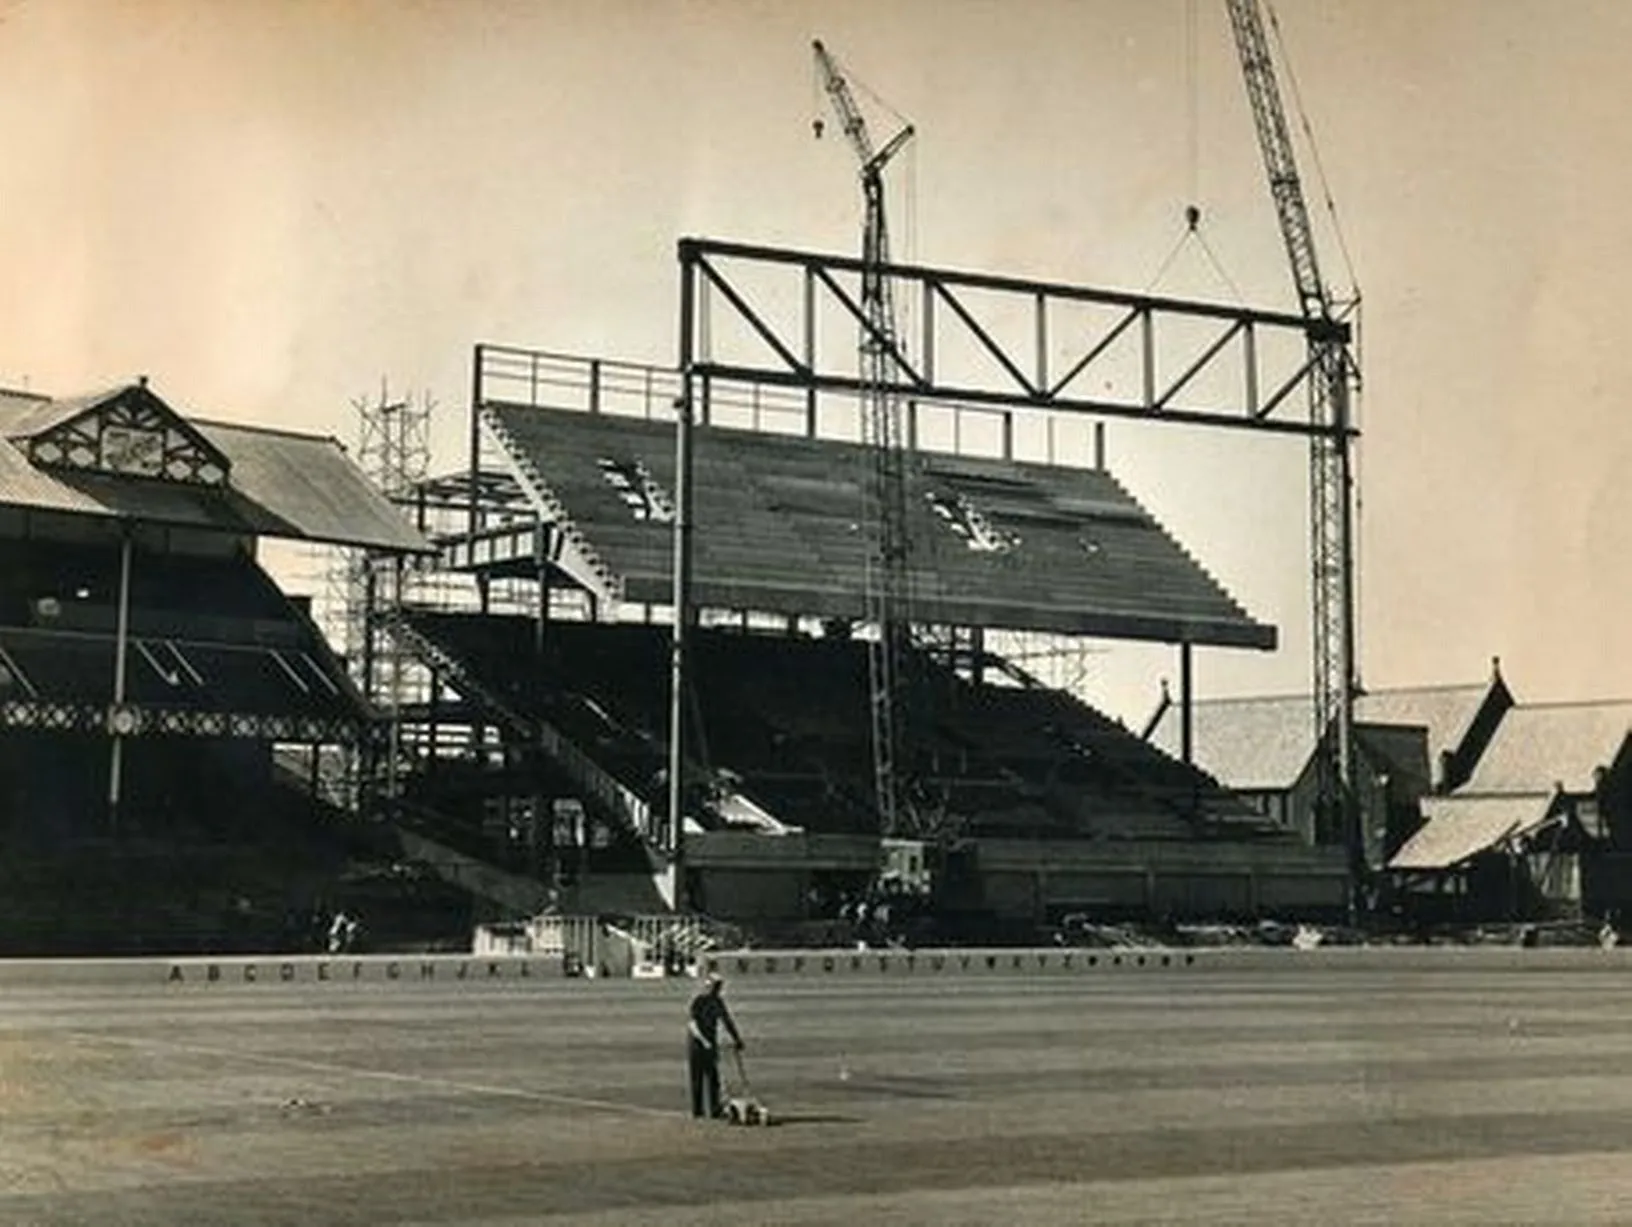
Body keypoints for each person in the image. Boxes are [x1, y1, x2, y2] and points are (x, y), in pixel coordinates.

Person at [686, 973, 744, 1119]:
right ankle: (697, 1111)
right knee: (697, 1079)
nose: (718, 989)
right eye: (716, 986)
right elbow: (692, 1025)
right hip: (697, 1045)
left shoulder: (718, 1002)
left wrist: (737, 1039)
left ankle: (714, 1109)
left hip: (711, 1043)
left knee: (713, 1078)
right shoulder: (698, 1001)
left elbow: (727, 1020)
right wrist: (704, 1041)